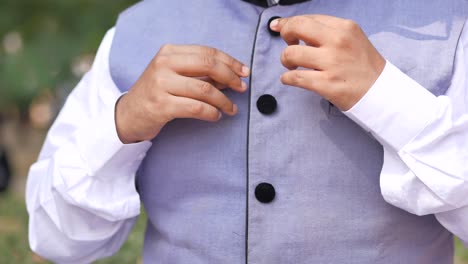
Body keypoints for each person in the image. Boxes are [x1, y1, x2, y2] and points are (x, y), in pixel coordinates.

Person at [26, 0, 468, 263]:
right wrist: (124, 122)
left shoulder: (451, 23)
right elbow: (56, 238)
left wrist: (389, 100)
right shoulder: (140, 27)